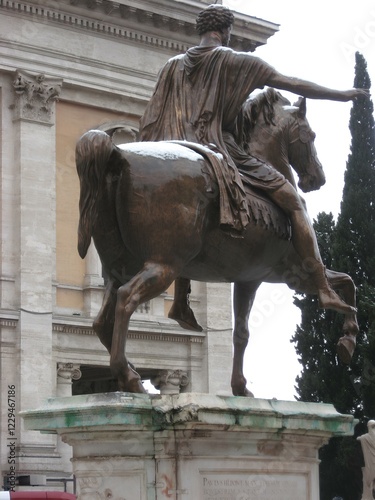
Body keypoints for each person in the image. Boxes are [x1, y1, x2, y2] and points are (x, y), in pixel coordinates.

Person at [139, 4, 367, 332]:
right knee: (294, 201)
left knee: (186, 215)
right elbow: (292, 84)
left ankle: (180, 300)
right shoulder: (235, 60)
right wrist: (341, 95)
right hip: (218, 147)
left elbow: (152, 115)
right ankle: (323, 285)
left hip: (174, 148)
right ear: (227, 30)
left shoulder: (173, 65)